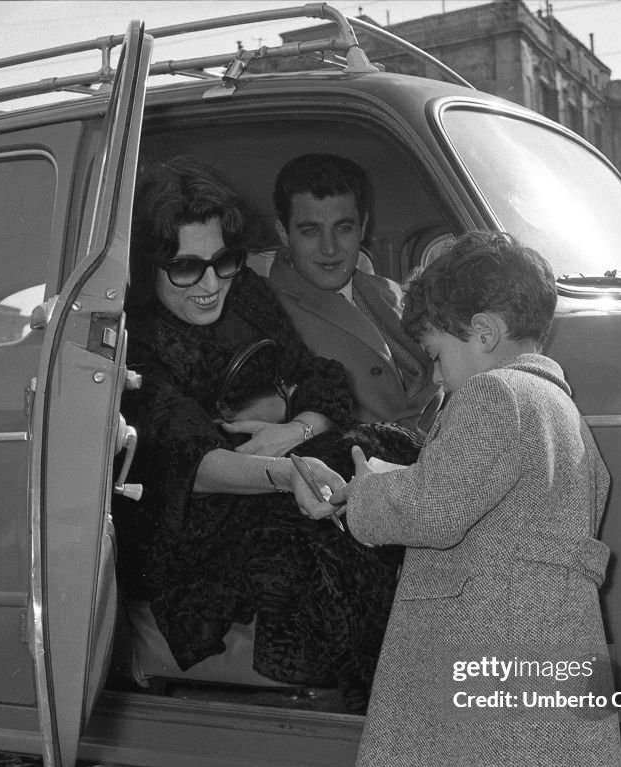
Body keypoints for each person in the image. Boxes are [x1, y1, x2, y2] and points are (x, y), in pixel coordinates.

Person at [317, 232, 621, 767]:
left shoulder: (495, 397)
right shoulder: (560, 411)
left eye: (438, 353)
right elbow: (495, 502)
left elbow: (434, 511)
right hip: (533, 645)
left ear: (483, 334)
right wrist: (400, 482)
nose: (436, 373)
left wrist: (361, 499)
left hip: (496, 649)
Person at [116, 156, 411, 710]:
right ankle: (391, 696)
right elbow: (188, 462)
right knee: (332, 502)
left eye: (222, 260)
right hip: (190, 529)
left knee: (381, 448)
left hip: (277, 467)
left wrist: (292, 430)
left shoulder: (244, 290)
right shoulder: (137, 341)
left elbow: (317, 378)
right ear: (149, 264)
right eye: (186, 268)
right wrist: (287, 470)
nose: (210, 285)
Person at [268, 152, 442, 437]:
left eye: (343, 228)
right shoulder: (269, 312)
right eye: (311, 231)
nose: (329, 248)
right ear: (284, 233)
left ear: (362, 227)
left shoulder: (390, 291)